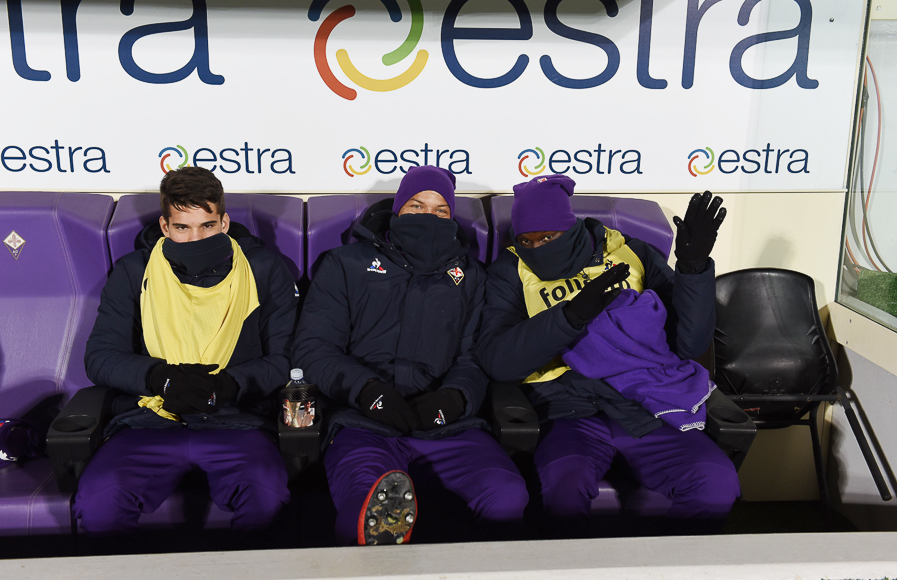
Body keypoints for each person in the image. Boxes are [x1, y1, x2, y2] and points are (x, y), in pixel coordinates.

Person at [477, 174, 741, 536]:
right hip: (567, 409)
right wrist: (569, 317)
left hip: (645, 403)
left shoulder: (632, 255)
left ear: (569, 229)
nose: (536, 247)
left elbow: (688, 344)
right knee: (565, 489)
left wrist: (692, 269)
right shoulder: (511, 270)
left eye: (548, 237)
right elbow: (498, 361)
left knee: (716, 482)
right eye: (526, 240)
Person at [293, 165, 528, 546]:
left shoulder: (471, 276)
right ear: (397, 210)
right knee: (367, 504)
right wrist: (368, 391)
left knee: (506, 493)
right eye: (417, 206)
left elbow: (475, 356)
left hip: (447, 426)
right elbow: (313, 348)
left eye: (440, 211)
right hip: (363, 421)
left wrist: (454, 399)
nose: (428, 216)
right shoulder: (345, 264)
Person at [74, 167, 297, 535]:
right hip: (149, 422)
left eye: (206, 226)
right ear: (165, 226)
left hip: (236, 421)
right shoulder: (135, 271)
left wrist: (230, 386)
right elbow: (100, 356)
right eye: (182, 227)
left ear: (224, 223)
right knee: (100, 501)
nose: (195, 237)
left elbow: (286, 357)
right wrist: (160, 378)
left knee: (266, 498)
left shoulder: (264, 268)